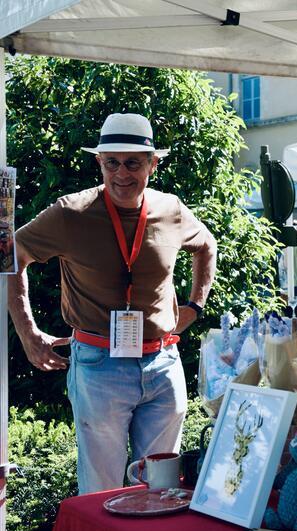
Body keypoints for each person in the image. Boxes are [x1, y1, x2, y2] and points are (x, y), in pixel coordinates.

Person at [9, 113, 217, 494]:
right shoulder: (71, 213)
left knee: (161, 491)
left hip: (162, 363)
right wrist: (28, 333)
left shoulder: (170, 209)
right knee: (101, 493)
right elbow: (11, 253)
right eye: (112, 162)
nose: (122, 173)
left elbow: (206, 245)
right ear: (99, 163)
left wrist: (194, 307)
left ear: (153, 164)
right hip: (98, 365)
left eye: (133, 163)